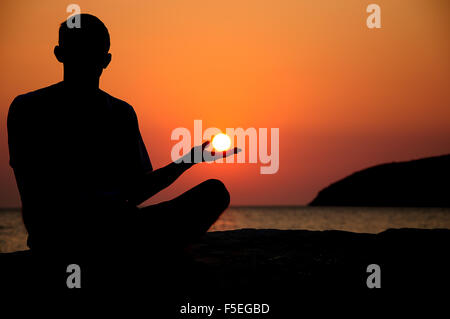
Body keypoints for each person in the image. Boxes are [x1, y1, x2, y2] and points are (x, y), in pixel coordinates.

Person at [7, 14, 238, 256]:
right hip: (65, 237)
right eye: (79, 52)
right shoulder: (28, 108)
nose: (85, 61)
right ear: (60, 54)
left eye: (91, 54)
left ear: (105, 59)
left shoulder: (120, 113)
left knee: (214, 192)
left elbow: (136, 190)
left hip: (120, 228)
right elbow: (33, 191)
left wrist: (190, 159)